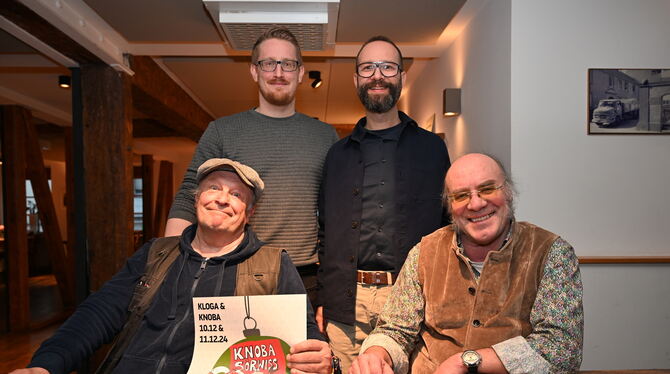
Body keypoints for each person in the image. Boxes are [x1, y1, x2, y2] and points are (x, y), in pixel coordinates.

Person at [11, 158, 332, 374]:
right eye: (213, 188)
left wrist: (320, 357)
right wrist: (46, 364)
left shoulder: (274, 264)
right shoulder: (155, 253)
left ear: (248, 213)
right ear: (196, 199)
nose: (222, 199)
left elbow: (302, 334)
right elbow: (99, 312)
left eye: (236, 194)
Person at [350, 153, 584, 374]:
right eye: (461, 195)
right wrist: (376, 354)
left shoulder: (551, 252)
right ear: (449, 206)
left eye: (487, 189)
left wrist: (466, 361)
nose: (475, 204)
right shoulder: (424, 252)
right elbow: (396, 329)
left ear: (509, 193)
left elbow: (561, 348)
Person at [165, 27, 339, 303]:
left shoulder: (326, 136)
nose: (279, 72)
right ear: (254, 72)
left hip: (305, 277)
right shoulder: (222, 131)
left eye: (288, 64)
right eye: (269, 63)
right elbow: (189, 194)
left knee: (301, 348)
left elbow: (336, 214)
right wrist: (171, 268)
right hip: (232, 271)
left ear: (301, 73)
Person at [315, 36, 450, 373]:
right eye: (367, 67)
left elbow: (450, 227)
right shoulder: (337, 155)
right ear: (356, 79)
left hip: (414, 302)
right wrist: (324, 297)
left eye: (388, 66)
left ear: (401, 76)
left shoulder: (432, 149)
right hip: (347, 303)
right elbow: (325, 232)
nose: (377, 75)